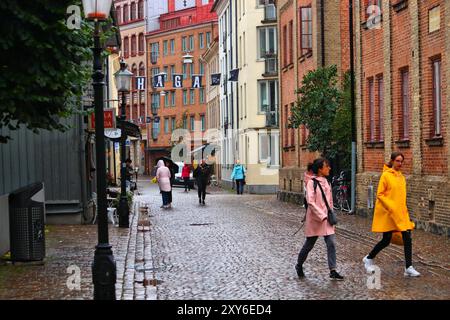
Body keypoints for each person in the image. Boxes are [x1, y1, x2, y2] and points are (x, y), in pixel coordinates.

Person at [363, 152, 420, 277]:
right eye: (398, 161)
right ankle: (369, 257)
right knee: (386, 240)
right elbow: (380, 194)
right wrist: (391, 207)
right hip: (389, 213)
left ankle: (408, 267)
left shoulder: (401, 177)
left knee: (407, 237)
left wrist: (404, 211)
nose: (400, 164)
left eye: (401, 161)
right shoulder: (386, 176)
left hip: (401, 213)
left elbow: (402, 197)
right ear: (392, 161)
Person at [295, 158, 344, 281]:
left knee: (331, 243)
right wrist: (321, 215)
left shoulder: (327, 182)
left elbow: (330, 201)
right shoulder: (312, 183)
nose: (329, 168)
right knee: (309, 245)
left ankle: (332, 270)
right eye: (327, 166)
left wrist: (331, 214)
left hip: (327, 219)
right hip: (315, 219)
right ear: (320, 169)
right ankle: (299, 265)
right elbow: (310, 201)